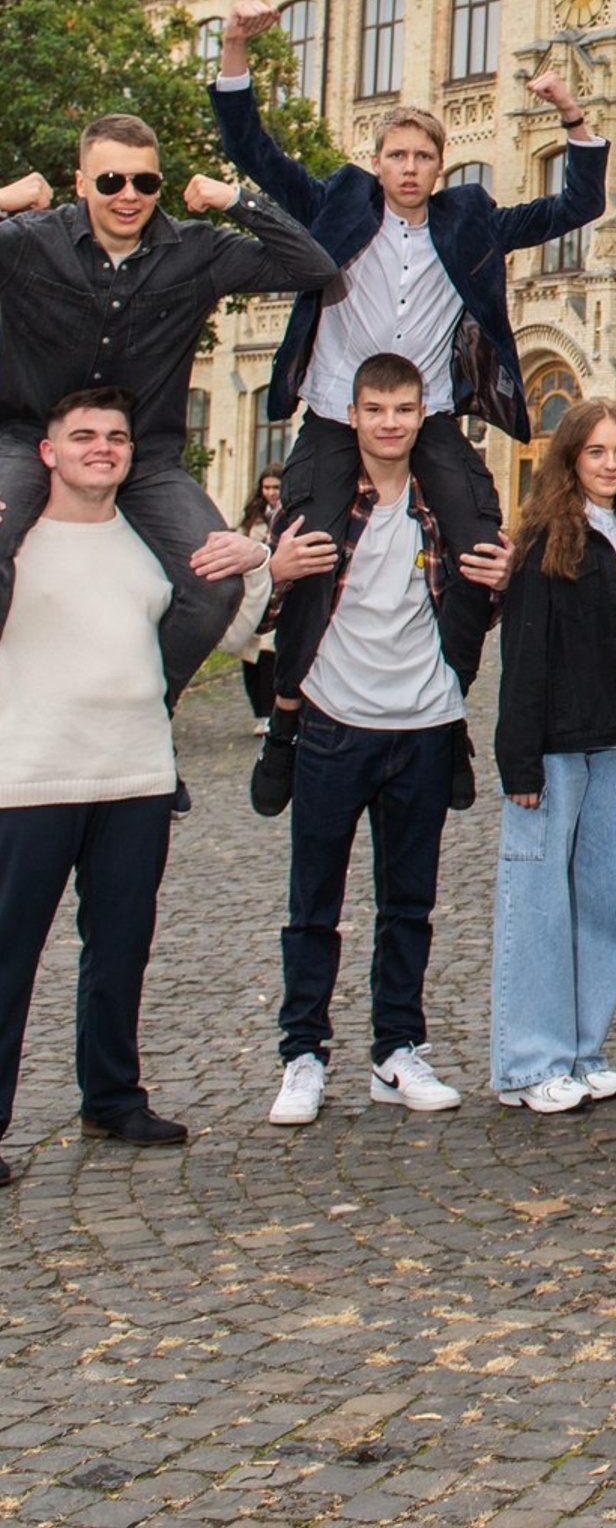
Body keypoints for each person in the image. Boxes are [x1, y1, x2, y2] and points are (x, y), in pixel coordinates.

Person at [209, 1, 605, 815]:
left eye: (425, 156)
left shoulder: (471, 222)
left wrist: (571, 114)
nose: (411, 168)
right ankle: (287, 720)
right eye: (398, 155)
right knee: (313, 555)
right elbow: (252, 149)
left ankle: (447, 709)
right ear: (377, 161)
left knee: (477, 553)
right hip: (329, 413)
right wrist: (237, 46)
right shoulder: (335, 205)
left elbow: (575, 209)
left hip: (425, 419)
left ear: (441, 165)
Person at [0, 393, 254, 1179]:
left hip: (137, 774)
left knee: (120, 950)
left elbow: (235, 635)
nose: (102, 448)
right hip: (30, 776)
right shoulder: (15, 538)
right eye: (83, 437)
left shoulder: (154, 542)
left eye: (115, 437)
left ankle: (112, 1096)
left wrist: (258, 567)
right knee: (9, 958)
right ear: (48, 452)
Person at [0, 123, 339, 693]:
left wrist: (234, 199)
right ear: (80, 183)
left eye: (145, 181)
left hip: (145, 455)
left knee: (214, 583)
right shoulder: (30, 240)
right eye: (111, 181)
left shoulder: (197, 250)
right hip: (25, 436)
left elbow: (315, 270)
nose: (129, 195)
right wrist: (6, 199)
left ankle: (147, 700)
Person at [263, 354, 510, 1127]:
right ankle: (303, 1054)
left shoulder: (443, 507)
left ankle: (396, 1051)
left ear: (422, 416)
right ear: (354, 414)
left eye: (404, 410)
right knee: (315, 903)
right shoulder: (325, 505)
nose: (391, 423)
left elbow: (473, 604)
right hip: (336, 724)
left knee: (409, 905)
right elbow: (279, 609)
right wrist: (272, 571)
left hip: (425, 726)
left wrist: (502, 581)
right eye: (376, 410)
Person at [489, 398, 616, 1114]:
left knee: (598, 906)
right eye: (597, 452)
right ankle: (531, 1062)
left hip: (613, 742)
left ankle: (583, 1049)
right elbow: (522, 655)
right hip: (553, 747)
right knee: (538, 906)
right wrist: (518, 759)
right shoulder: (545, 537)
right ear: (570, 459)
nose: (611, 464)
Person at [228, 469, 286, 726]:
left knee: (268, 655)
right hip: (251, 593)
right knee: (250, 657)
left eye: (276, 487)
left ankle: (270, 713)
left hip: (280, 592)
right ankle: (260, 712)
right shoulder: (253, 520)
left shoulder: (291, 514)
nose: (271, 493)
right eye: (267, 488)